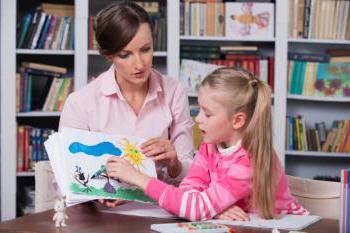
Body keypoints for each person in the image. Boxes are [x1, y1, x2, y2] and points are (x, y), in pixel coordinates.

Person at [105, 67, 309, 221]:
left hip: (288, 227)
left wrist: (136, 178)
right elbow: (188, 191)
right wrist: (212, 209)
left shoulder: (248, 161)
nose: (198, 119)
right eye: (199, 110)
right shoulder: (209, 146)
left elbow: (194, 208)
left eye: (208, 113)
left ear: (237, 120)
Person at [59, 2, 194, 207]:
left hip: (163, 212)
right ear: (108, 55)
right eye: (125, 55)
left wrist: (174, 163)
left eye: (146, 50)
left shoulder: (173, 92)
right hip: (105, 218)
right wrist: (101, 193)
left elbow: (192, 178)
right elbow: (68, 181)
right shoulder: (80, 103)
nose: (139, 64)